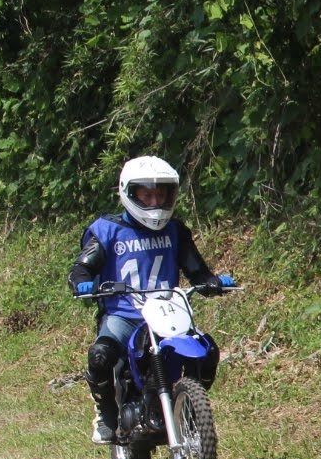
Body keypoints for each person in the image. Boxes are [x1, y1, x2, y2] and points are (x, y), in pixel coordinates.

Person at [70, 155, 229, 443]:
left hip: (167, 312)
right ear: (130, 193)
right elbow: (82, 268)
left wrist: (212, 282)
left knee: (208, 352)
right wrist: (82, 283)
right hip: (123, 315)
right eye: (147, 194)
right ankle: (106, 414)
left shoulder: (176, 231)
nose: (155, 201)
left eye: (161, 194)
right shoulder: (106, 230)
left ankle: (191, 408)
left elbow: (196, 270)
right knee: (99, 356)